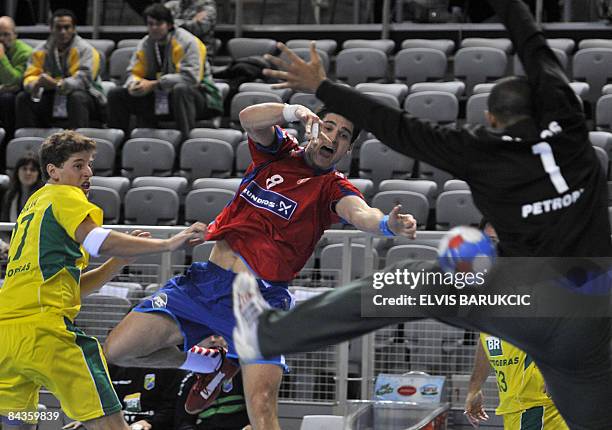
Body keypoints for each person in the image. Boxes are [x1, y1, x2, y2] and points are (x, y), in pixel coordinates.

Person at [230, 1, 612, 429]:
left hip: (522, 301)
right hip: (595, 309)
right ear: (545, 104)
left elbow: (399, 126)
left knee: (410, 280)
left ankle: (265, 334)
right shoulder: (571, 123)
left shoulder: (479, 152)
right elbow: (535, 43)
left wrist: (325, 87)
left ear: (490, 118)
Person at [102, 100, 418, 430]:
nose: (333, 138)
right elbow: (249, 119)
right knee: (118, 350)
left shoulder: (331, 188)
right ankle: (206, 363)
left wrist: (387, 225)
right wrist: (293, 111)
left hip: (259, 302)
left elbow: (360, 213)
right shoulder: (279, 152)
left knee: (262, 408)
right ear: (313, 128)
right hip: (204, 286)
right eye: (328, 127)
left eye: (343, 135)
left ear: (347, 149)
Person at [0, 130, 207, 430]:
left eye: (89, 164)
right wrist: (168, 244)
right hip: (46, 335)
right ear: (53, 172)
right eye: (78, 164)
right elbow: (97, 240)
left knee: (18, 422)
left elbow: (72, 288)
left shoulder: (32, 207)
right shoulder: (63, 194)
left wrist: (119, 262)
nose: (87, 172)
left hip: (6, 336)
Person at [463, 220, 568, 430]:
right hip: (517, 409)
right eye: (491, 242)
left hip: (543, 408)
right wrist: (475, 387)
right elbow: (487, 338)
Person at [107, 3, 222, 139]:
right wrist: (134, 84)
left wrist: (155, 84)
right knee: (117, 94)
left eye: (159, 24)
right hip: (162, 98)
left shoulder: (188, 42)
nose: (154, 28)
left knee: (181, 89)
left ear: (169, 24)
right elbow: (134, 72)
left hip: (199, 99)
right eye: (150, 24)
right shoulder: (146, 43)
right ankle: (120, 145)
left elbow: (191, 79)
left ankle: (186, 144)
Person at [15, 9, 105, 130]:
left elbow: (83, 81)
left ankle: (77, 143)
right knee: (23, 97)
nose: (63, 32)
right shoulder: (39, 51)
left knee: (76, 97)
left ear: (73, 29)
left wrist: (57, 84)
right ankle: (28, 143)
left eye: (67, 27)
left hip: (86, 97)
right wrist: (35, 84)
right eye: (58, 27)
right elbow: (29, 76)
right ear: (51, 28)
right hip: (51, 96)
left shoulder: (87, 50)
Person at [0, 16, 32, 143]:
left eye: (6, 34)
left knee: (7, 98)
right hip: (4, 90)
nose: (1, 39)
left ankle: (8, 142)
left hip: (16, 94)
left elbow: (14, 81)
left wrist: (1, 57)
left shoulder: (25, 53)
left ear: (15, 35)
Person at [0, 154, 44, 223]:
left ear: (38, 174)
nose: (28, 173)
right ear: (17, 172)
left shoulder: (44, 196)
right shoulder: (9, 196)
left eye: (33, 170)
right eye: (24, 168)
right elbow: (4, 224)